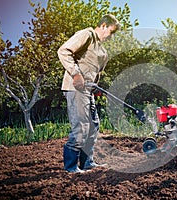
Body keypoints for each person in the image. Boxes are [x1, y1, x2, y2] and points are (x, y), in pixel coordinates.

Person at [58, 14, 120, 173]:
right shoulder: (87, 35)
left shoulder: (102, 50)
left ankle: (87, 162)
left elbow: (95, 72)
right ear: (104, 25)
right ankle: (71, 167)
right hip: (75, 88)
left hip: (87, 91)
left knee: (93, 126)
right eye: (111, 32)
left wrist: (95, 87)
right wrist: (75, 74)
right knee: (81, 126)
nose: (111, 36)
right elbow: (64, 51)